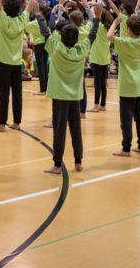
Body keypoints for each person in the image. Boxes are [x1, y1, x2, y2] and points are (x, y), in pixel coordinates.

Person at [44, 10, 93, 174]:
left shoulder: (56, 49)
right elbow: (92, 35)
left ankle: (57, 164)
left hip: (60, 95)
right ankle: (78, 161)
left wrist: (39, 13)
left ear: (61, 37)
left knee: (59, 130)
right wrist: (97, 17)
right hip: (75, 95)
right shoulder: (82, 51)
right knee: (75, 128)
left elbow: (46, 30)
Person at [0, 0, 37, 133]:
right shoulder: (22, 20)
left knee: (4, 95)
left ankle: (2, 124)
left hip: (3, 62)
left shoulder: (2, 20)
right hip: (17, 63)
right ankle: (17, 122)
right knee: (17, 94)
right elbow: (29, 6)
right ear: (18, 9)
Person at [106, 13, 140, 156]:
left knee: (126, 121)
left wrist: (114, 23)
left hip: (127, 87)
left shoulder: (125, 42)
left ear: (129, 30)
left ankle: (126, 148)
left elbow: (109, 37)